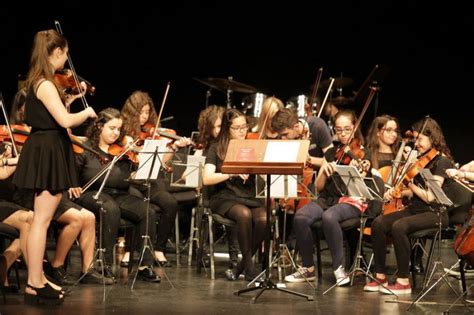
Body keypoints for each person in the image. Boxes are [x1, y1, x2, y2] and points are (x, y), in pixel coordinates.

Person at [11, 29, 97, 305]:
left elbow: (55, 114)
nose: (67, 59)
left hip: (48, 147)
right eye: (65, 53)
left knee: (42, 219)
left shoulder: (43, 82)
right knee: (42, 220)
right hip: (47, 149)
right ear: (56, 52)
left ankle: (38, 278)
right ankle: (34, 283)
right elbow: (64, 121)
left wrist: (70, 102)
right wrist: (86, 112)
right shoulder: (45, 83)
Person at [283, 109, 383, 285]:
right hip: (329, 198)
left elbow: (362, 186)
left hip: (353, 200)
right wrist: (324, 169)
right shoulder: (331, 153)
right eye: (338, 130)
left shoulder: (364, 153)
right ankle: (308, 268)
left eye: (347, 129)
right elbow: (320, 187)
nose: (343, 134)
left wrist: (356, 169)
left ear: (355, 128)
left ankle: (339, 269)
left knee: (330, 216)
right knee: (300, 217)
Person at [364, 117, 458, 295]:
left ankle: (403, 281)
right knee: (379, 223)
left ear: (432, 138)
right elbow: (413, 194)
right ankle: (380, 275)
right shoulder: (421, 160)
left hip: (436, 212)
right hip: (416, 209)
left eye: (420, 139)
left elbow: (431, 197)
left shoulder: (442, 162)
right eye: (416, 139)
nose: (417, 144)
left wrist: (410, 185)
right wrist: (398, 192)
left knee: (400, 226)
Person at [74, 107, 161, 282]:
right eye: (112, 128)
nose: (116, 133)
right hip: (91, 193)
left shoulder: (122, 152)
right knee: (110, 209)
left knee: (148, 211)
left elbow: (132, 178)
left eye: (119, 129)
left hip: (119, 194)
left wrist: (139, 170)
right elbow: (73, 175)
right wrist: (72, 186)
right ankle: (104, 265)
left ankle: (143, 265)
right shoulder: (85, 149)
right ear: (99, 127)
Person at [120, 90, 193, 267]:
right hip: (130, 181)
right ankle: (129, 250)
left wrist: (174, 146)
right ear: (131, 112)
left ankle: (158, 248)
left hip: (149, 181)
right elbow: (132, 158)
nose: (144, 117)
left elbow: (162, 162)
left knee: (170, 203)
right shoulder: (124, 132)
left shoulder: (152, 133)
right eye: (141, 112)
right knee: (137, 206)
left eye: (147, 112)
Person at [202, 108, 267, 281]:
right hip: (224, 196)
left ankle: (240, 268)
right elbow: (207, 178)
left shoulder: (252, 146)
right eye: (237, 128)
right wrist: (231, 172)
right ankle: (250, 269)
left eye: (244, 127)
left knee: (263, 219)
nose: (242, 131)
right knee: (244, 215)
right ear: (227, 128)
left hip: (248, 196)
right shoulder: (216, 148)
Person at [195, 105, 240, 268]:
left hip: (230, 191)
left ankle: (234, 254)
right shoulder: (209, 149)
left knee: (235, 206)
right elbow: (199, 177)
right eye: (219, 126)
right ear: (210, 128)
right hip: (212, 192)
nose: (223, 130)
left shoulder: (232, 145)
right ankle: (204, 250)